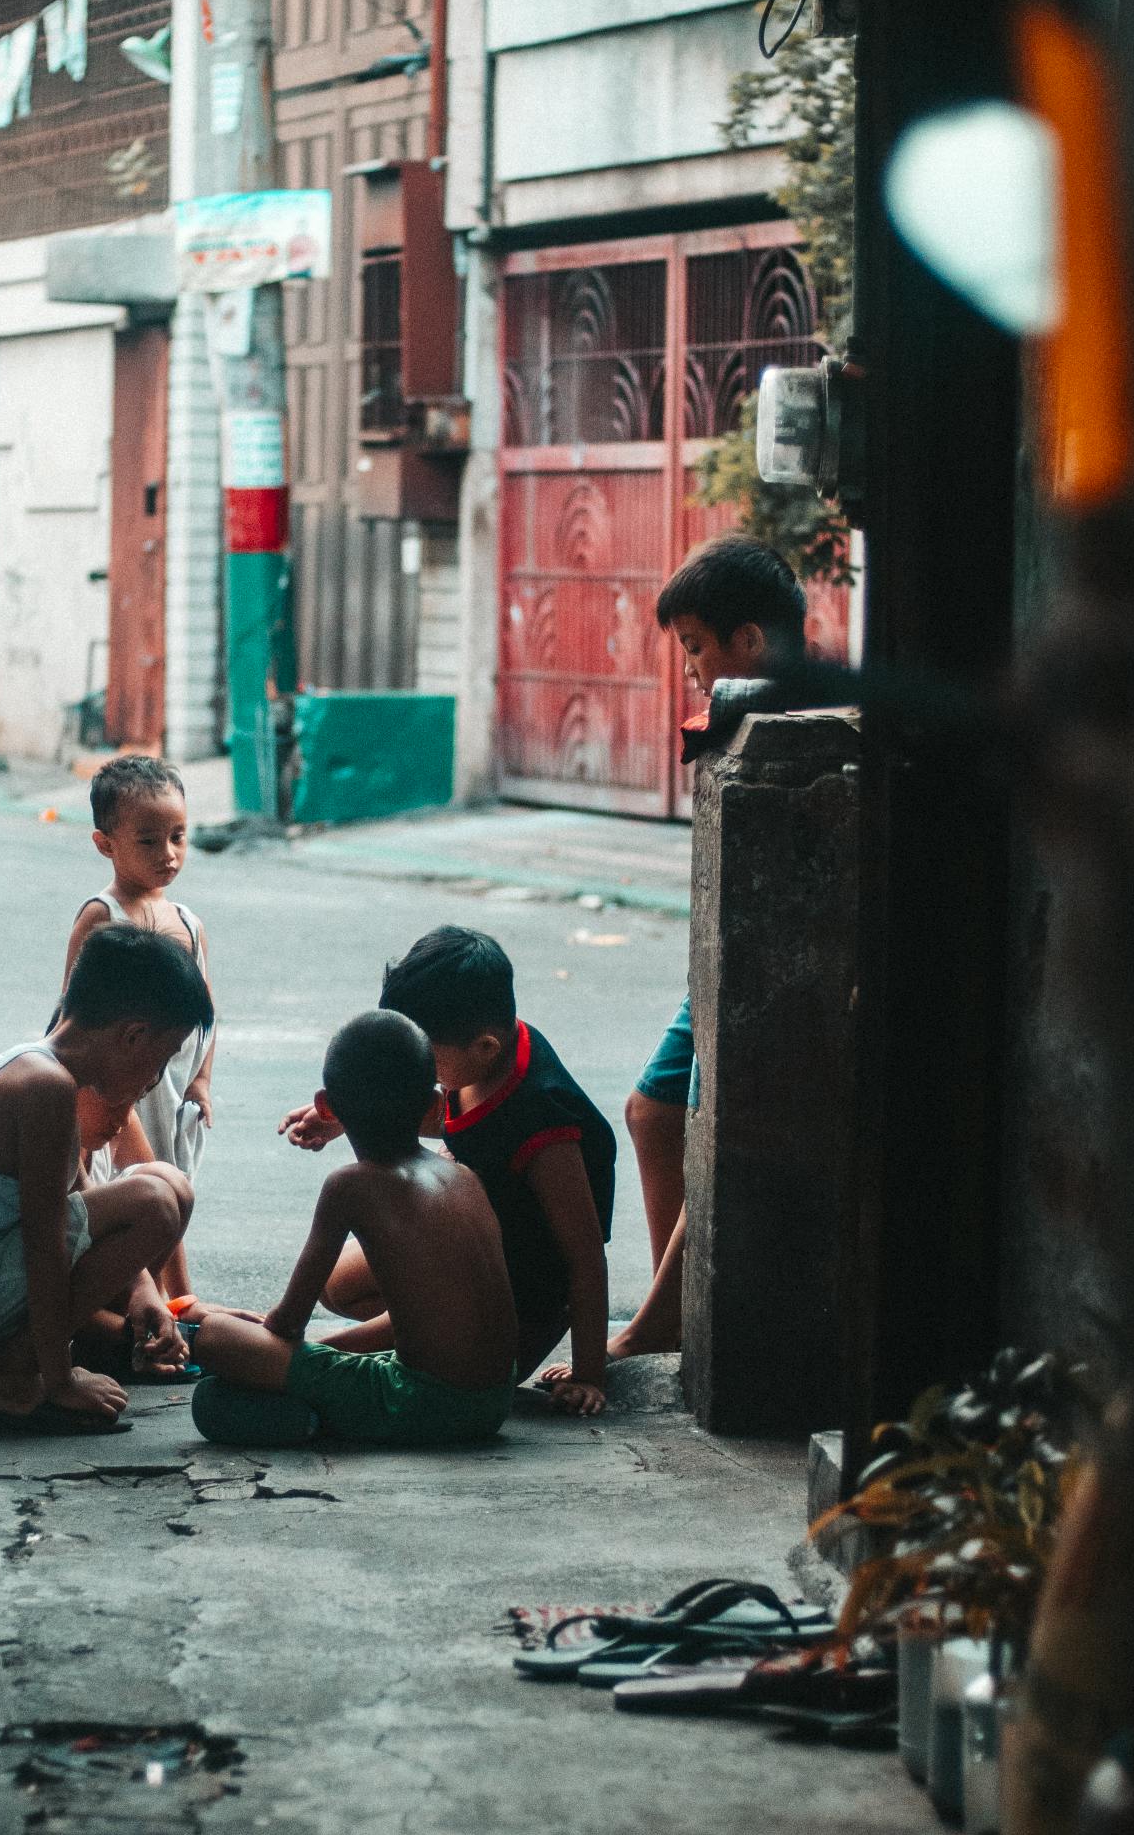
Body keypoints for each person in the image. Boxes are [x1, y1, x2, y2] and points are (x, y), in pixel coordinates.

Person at [279, 925, 617, 1416]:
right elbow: (455, 1122)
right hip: (470, 1247)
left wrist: (589, 1372)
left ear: (483, 1047)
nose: (413, 1076)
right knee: (338, 1285)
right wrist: (349, 1115)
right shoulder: (483, 1057)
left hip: (519, 1301)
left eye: (425, 1063)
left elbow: (584, 1257)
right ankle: (388, 1331)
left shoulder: (546, 1123)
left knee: (336, 1352)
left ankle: (351, 1346)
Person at [0, 921, 212, 1421]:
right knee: (155, 1204)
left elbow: (76, 1195)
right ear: (133, 1035)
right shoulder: (45, 1087)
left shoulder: (42, 1067)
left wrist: (143, 1287)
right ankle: (18, 1368)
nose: (157, 1078)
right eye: (164, 1058)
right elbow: (47, 1244)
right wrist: (60, 1378)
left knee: (172, 1187)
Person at [612, 535, 808, 1360]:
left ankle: (663, 1318)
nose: (689, 668)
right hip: (714, 967)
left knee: (706, 1120)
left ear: (750, 643)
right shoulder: (747, 708)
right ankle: (676, 1299)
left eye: (695, 647)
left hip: (765, 973)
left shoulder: (786, 709)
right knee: (653, 1110)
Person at [190, 1009, 517, 1447]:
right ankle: (316, 1416)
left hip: (421, 1403)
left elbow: (288, 1324)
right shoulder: (464, 1177)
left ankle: (311, 1422)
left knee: (214, 1350)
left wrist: (252, 1348)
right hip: (493, 1402)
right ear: (435, 1105)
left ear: (326, 1106)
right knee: (238, 1385)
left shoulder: (350, 1186)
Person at [61, 754, 214, 1303]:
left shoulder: (188, 924)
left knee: (172, 1183)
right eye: (148, 841)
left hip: (170, 1092)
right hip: (118, 1088)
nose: (168, 854)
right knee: (137, 1185)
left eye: (178, 836)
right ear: (106, 844)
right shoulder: (103, 916)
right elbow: (72, 1013)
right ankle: (166, 1298)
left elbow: (206, 1013)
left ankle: (158, 1301)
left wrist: (201, 1081)